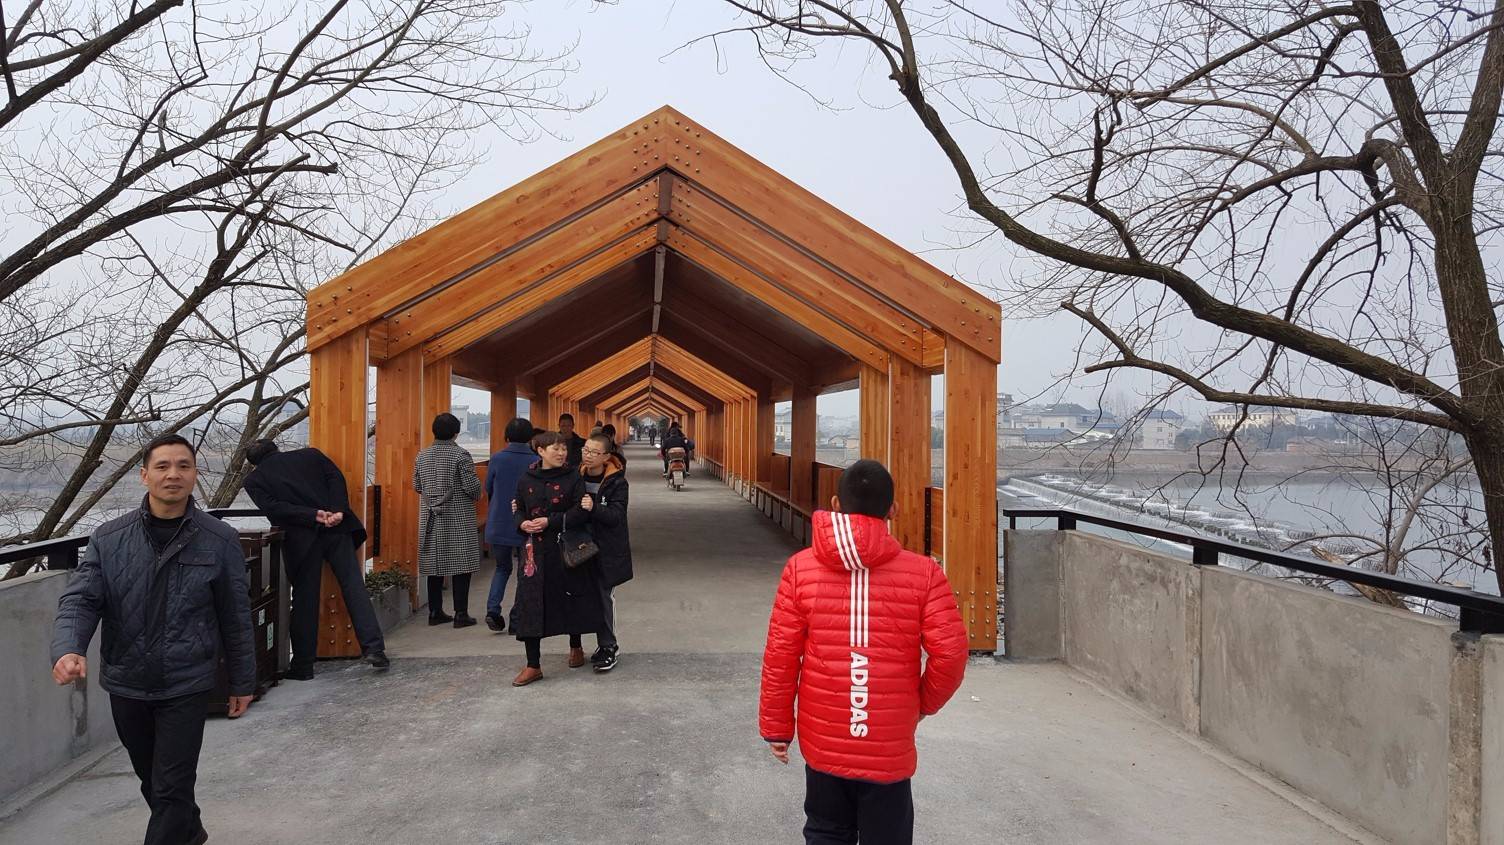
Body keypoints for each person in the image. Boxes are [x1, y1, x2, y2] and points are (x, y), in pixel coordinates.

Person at [51, 434, 255, 845]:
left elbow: (235, 615)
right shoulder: (109, 538)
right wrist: (69, 648)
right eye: (162, 466)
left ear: (195, 475)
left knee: (170, 786)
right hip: (127, 681)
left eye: (183, 466)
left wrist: (242, 681)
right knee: (153, 780)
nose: (173, 474)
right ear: (144, 475)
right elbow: (81, 599)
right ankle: (190, 831)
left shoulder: (219, 539)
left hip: (186, 682)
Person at [759, 459, 969, 845]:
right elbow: (951, 653)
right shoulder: (924, 574)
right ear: (893, 510)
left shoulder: (800, 569)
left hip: (823, 741)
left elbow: (781, 654)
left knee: (826, 831)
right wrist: (922, 703)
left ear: (836, 504)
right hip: (888, 747)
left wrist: (777, 728)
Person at [243, 440, 388, 678]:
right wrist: (337, 510)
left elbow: (275, 508)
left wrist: (312, 515)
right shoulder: (311, 455)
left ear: (254, 463)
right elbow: (335, 478)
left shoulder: (254, 480)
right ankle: (374, 649)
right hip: (337, 530)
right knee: (353, 586)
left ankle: (303, 665)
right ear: (276, 448)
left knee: (304, 599)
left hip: (300, 540)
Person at [509, 431, 607, 686]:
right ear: (540, 451)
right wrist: (522, 523)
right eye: (556, 448)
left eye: (564, 449)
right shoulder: (526, 478)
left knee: (571, 596)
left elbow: (580, 511)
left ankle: (576, 646)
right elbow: (518, 507)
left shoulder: (573, 477)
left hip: (565, 548)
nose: (562, 453)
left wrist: (550, 521)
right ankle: (533, 664)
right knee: (531, 602)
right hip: (534, 553)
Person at [414, 412, 484, 627]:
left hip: (431, 516)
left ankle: (435, 612)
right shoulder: (461, 455)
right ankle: (461, 614)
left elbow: (417, 485)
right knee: (462, 563)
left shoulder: (422, 456)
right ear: (456, 432)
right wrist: (478, 493)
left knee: (434, 564)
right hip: (458, 516)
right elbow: (472, 488)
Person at [580, 432, 632, 671]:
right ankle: (576, 646)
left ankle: (608, 646)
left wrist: (593, 508)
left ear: (606, 456)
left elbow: (616, 516)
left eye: (594, 452)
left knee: (603, 596)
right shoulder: (575, 476)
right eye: (585, 450)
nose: (588, 455)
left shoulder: (617, 483)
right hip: (578, 547)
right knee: (578, 596)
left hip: (605, 550)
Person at [483, 417, 536, 633]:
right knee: (525, 571)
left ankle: (493, 610)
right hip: (526, 524)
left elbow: (488, 487)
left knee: (502, 568)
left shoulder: (497, 459)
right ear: (530, 438)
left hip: (498, 522)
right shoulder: (536, 460)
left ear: (506, 437)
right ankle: (516, 616)